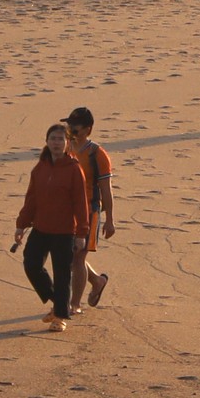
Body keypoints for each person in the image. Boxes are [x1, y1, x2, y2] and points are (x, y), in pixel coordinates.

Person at [9, 121, 92, 331]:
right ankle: (58, 302)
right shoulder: (40, 168)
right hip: (41, 228)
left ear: (67, 143)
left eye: (60, 139)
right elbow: (32, 199)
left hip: (65, 232)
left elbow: (80, 203)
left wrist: (81, 234)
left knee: (62, 274)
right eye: (53, 139)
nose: (56, 143)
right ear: (47, 141)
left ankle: (60, 317)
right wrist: (21, 225)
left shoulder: (74, 169)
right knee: (31, 264)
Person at [65, 107, 117, 310]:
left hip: (89, 211)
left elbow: (106, 190)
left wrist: (110, 220)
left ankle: (74, 304)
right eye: (69, 125)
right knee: (70, 258)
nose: (70, 129)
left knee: (78, 257)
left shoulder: (97, 154)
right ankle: (97, 281)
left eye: (75, 126)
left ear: (88, 129)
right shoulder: (64, 148)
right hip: (67, 211)